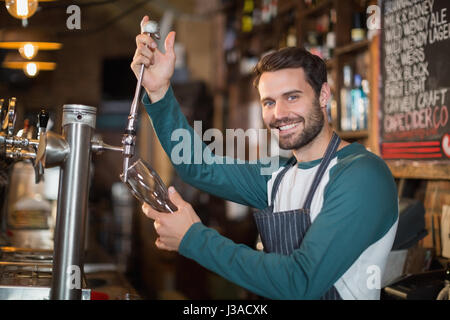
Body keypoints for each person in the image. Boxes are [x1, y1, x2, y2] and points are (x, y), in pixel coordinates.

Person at [131, 15, 399, 300]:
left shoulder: (362, 175)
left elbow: (300, 282)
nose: (279, 113)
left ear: (323, 95)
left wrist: (193, 239)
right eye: (269, 102)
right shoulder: (280, 176)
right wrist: (159, 91)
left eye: (292, 97)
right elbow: (198, 167)